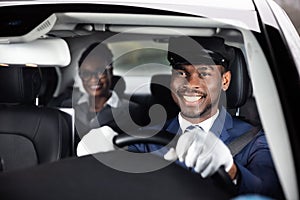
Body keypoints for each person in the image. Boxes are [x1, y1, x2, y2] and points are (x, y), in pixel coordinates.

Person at [76, 37, 284, 199]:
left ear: (225, 81)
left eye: (204, 73)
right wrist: (102, 158)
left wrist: (231, 170)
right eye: (182, 73)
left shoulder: (254, 139)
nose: (190, 84)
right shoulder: (147, 136)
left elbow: (269, 189)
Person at [74, 43, 144, 153]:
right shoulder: (70, 108)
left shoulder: (132, 111)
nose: (94, 79)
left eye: (99, 72)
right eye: (86, 73)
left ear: (110, 72)